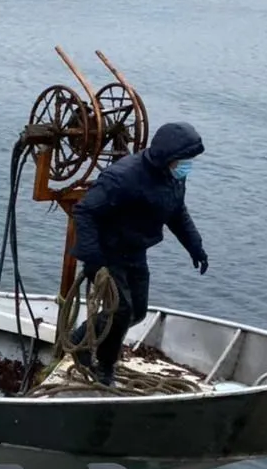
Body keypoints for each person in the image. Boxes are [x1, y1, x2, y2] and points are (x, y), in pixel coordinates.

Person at [69, 122, 209, 385]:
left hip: (135, 251)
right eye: (184, 160)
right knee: (120, 311)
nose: (187, 165)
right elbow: (85, 211)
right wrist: (91, 258)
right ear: (167, 157)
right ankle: (103, 366)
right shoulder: (124, 177)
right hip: (107, 252)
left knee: (138, 312)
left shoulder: (174, 177)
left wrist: (195, 247)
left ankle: (84, 342)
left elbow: (177, 212)